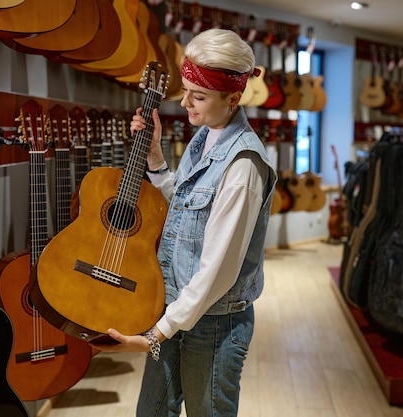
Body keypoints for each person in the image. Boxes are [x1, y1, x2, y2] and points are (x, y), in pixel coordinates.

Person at [90, 28, 277, 417]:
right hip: (178, 310)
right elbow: (188, 212)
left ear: (233, 98)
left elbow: (217, 271)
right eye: (186, 89)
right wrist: (156, 157)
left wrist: (157, 333)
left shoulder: (243, 166)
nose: (185, 102)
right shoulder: (207, 135)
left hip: (213, 327)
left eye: (199, 95)